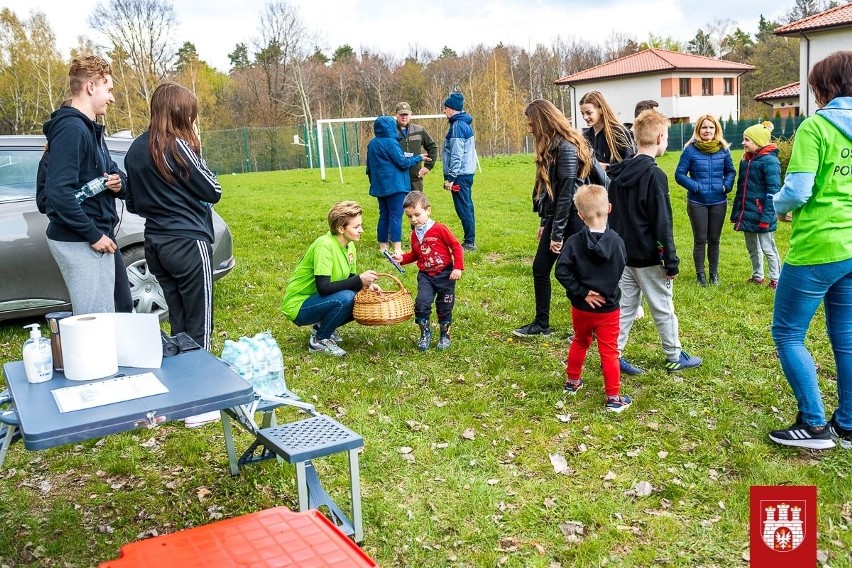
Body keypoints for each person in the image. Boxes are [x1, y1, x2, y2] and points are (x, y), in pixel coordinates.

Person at [767, 50, 852, 450]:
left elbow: (797, 190)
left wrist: (777, 204)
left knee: (787, 333)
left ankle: (815, 424)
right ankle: (848, 425)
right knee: (847, 338)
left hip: (818, 246)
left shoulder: (815, 128)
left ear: (826, 87)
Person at [125, 82, 222, 351]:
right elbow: (213, 190)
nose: (192, 120)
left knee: (178, 319)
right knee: (200, 322)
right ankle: (201, 379)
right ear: (179, 113)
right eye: (191, 114)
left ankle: (183, 377)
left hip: (155, 243)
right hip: (188, 242)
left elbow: (132, 203)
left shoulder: (134, 148)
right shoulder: (177, 145)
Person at [607, 109, 702, 375]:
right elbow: (662, 223)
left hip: (624, 257)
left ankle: (613, 355)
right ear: (660, 137)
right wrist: (669, 261)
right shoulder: (655, 176)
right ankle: (674, 356)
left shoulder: (617, 175)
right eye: (668, 135)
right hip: (649, 259)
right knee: (663, 308)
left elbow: (612, 216)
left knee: (624, 309)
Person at [42, 55, 129, 315]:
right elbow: (57, 193)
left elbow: (113, 172)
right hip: (82, 239)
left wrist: (118, 183)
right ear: (91, 87)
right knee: (96, 320)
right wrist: (93, 235)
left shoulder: (90, 130)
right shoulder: (71, 129)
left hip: (98, 234)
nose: (112, 98)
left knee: (118, 309)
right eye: (109, 89)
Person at [513, 99, 593, 338]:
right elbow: (550, 193)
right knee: (540, 269)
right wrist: (543, 222)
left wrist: (556, 234)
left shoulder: (567, 148)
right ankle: (541, 324)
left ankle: (590, 327)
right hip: (556, 218)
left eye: (531, 123)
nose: (529, 128)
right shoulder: (552, 146)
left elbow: (567, 195)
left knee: (570, 273)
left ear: (543, 121)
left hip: (572, 221)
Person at [554, 184, 630, 412]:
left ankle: (572, 382)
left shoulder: (573, 242)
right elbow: (620, 268)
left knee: (580, 340)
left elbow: (561, 271)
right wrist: (601, 293)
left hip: (581, 308)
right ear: (608, 208)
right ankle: (613, 398)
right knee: (609, 351)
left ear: (579, 215)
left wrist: (582, 292)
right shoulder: (617, 242)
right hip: (607, 309)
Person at [281, 201, 380, 357]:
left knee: (361, 298)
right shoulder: (324, 245)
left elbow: (349, 279)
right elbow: (324, 287)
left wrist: (366, 287)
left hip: (319, 300)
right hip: (299, 305)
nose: (361, 230)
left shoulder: (350, 245)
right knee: (348, 297)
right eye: (356, 227)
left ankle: (321, 327)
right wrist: (359, 280)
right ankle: (319, 340)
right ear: (341, 228)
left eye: (360, 225)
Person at [392, 191, 464, 350]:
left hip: (446, 274)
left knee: (445, 306)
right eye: (409, 216)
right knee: (421, 303)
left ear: (428, 210)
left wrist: (457, 267)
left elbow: (456, 246)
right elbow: (415, 254)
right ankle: (425, 333)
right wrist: (402, 259)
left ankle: (445, 334)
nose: (414, 219)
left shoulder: (440, 229)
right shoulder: (414, 234)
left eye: (417, 214)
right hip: (426, 276)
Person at [674, 115, 736, 286]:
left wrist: (726, 186)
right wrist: (696, 187)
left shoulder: (723, 150)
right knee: (700, 239)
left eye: (711, 127)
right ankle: (700, 276)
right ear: (698, 130)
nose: (707, 131)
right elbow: (679, 174)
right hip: (697, 202)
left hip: (718, 201)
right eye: (704, 127)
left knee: (714, 239)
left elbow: (731, 171)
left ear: (716, 130)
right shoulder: (690, 150)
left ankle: (714, 275)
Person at [366, 115, 429, 256]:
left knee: (384, 216)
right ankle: (397, 248)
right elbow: (402, 163)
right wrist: (419, 157)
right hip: (395, 186)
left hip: (380, 187)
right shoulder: (391, 143)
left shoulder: (372, 144)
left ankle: (383, 247)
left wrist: (373, 182)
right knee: (395, 216)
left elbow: (369, 168)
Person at [730, 122, 781, 289]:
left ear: (757, 141)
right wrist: (736, 213)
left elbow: (773, 190)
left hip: (762, 213)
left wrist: (767, 216)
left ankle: (776, 279)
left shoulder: (769, 161)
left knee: (768, 248)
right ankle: (758, 275)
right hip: (748, 214)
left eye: (747, 140)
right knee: (752, 247)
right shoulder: (745, 161)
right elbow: (740, 190)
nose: (743, 143)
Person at [442, 92, 478, 251]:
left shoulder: (457, 126)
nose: (444, 111)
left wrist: (451, 178)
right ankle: (470, 239)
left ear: (453, 109)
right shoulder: (464, 124)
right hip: (466, 173)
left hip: (460, 175)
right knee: (467, 205)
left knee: (463, 207)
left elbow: (456, 155)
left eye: (446, 108)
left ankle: (469, 242)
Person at [579, 91, 635, 170]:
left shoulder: (618, 133)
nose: (585, 117)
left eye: (589, 113)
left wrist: (608, 167)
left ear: (600, 110)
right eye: (582, 113)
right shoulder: (585, 136)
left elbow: (630, 164)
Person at [395, 102, 438, 192]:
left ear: (411, 115)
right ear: (396, 115)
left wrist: (428, 167)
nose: (404, 117)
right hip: (396, 180)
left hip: (415, 179)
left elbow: (432, 147)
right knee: (399, 206)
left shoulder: (419, 130)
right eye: (401, 114)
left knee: (416, 205)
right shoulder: (391, 132)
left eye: (406, 114)